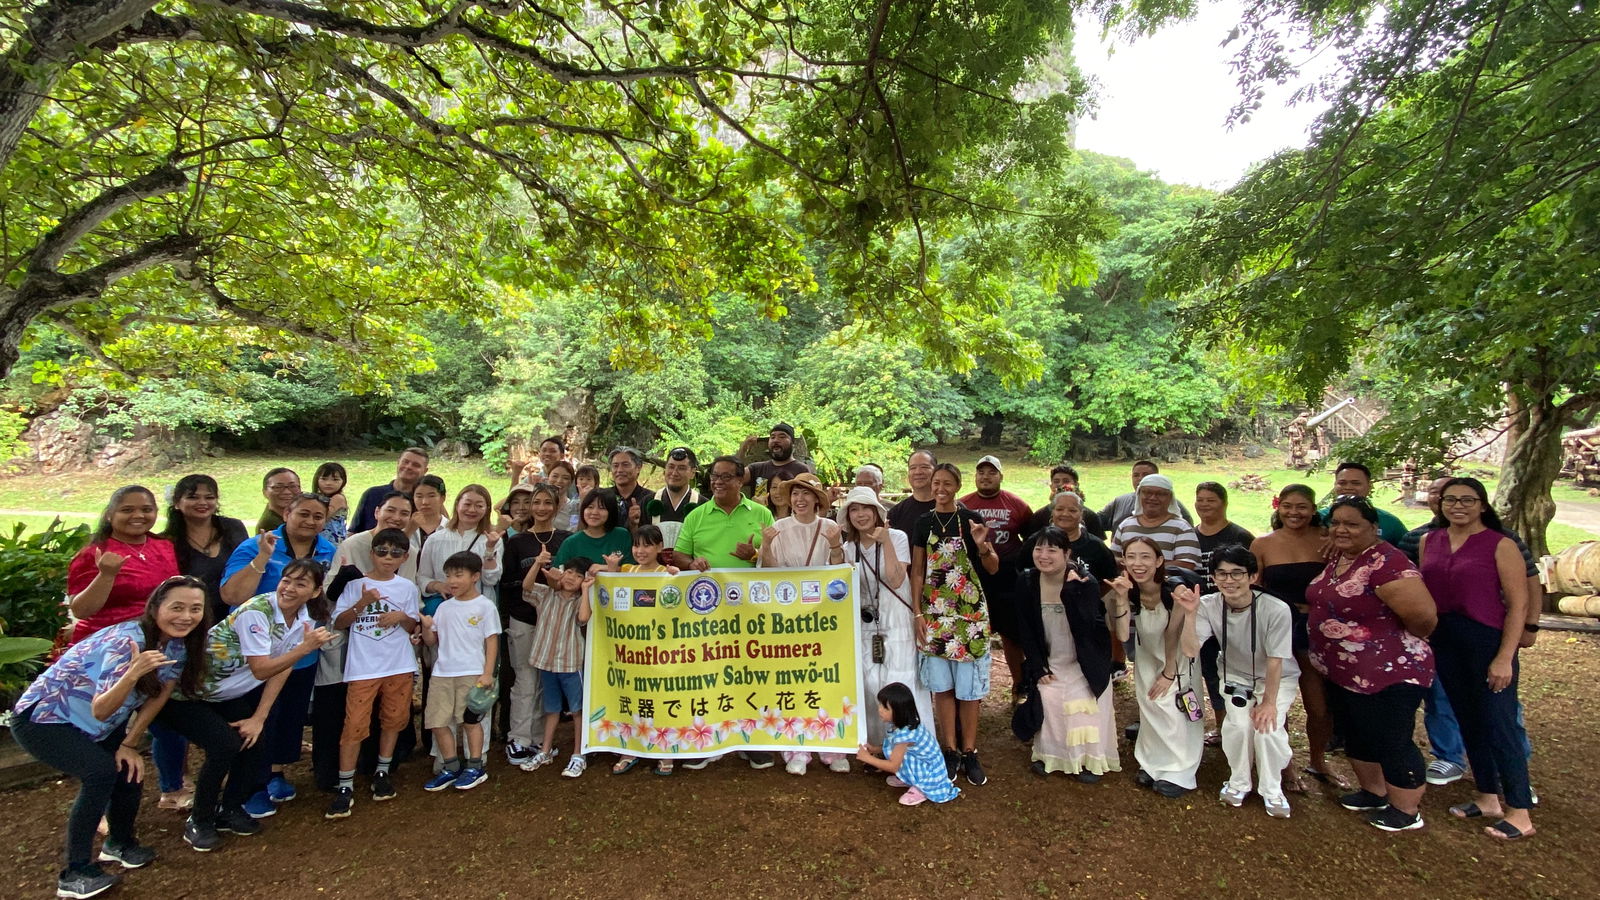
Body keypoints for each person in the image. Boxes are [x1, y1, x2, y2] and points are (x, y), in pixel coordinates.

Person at [11, 576, 208, 900]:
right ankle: (74, 873)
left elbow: (161, 694)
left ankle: (119, 843)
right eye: (177, 607)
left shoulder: (178, 643)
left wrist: (129, 742)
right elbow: (101, 709)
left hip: (99, 724)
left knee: (128, 771)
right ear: (156, 607)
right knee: (100, 773)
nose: (186, 616)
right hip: (45, 719)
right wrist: (133, 673)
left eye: (195, 609)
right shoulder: (126, 641)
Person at [163, 559, 335, 848]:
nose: (289, 588)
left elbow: (283, 669)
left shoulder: (303, 618)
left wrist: (259, 717)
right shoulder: (257, 611)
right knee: (224, 746)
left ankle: (230, 808)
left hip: (225, 694)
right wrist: (304, 649)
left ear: (316, 591)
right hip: (187, 695)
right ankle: (200, 819)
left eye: (300, 583)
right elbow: (262, 669)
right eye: (286, 580)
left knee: (256, 742)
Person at [1399, 476, 1542, 789]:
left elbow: (1518, 605)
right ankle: (1486, 795)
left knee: (1499, 721)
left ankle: (1518, 805)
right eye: (1451, 500)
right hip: (1445, 640)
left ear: (1482, 505)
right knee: (1468, 719)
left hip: (1487, 640)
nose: (1458, 506)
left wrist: (1505, 657)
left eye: (1467, 500)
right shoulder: (1428, 541)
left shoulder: (1501, 544)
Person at [1309, 496, 1438, 832]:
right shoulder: (1340, 556)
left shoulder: (1387, 562)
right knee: (1359, 732)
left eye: (1352, 524)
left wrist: (1387, 644)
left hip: (1390, 672)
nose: (1341, 529)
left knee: (1391, 738)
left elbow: (1423, 617)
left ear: (1374, 527)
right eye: (1336, 523)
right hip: (1346, 672)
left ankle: (1406, 810)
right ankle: (1373, 791)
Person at [1175, 545, 1299, 817]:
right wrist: (1190, 614)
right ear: (1214, 577)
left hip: (1276, 677)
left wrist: (1268, 703)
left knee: (1267, 729)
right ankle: (1239, 781)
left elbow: (1277, 660)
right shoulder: (1208, 605)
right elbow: (1189, 650)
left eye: (1236, 574)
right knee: (1239, 726)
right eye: (1221, 574)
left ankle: (1272, 788)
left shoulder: (1276, 609)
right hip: (1235, 675)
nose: (1228, 581)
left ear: (1253, 577)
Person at [677, 455, 775, 770]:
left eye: (725, 477)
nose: (717, 482)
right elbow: (679, 554)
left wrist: (757, 554)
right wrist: (691, 563)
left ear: (740, 480)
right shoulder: (696, 515)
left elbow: (778, 559)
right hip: (707, 610)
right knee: (708, 672)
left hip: (751, 610)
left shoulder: (762, 514)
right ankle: (708, 740)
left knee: (751, 672)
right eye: (713, 477)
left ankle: (753, 741)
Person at [158, 475, 250, 811]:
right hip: (184, 629)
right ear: (177, 502)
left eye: (209, 496)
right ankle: (173, 783)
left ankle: (220, 768)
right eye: (193, 496)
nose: (202, 502)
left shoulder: (232, 528)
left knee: (222, 700)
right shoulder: (167, 540)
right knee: (173, 702)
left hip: (227, 629)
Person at [911, 463, 999, 786]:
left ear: (958, 486)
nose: (940, 488)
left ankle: (970, 751)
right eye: (936, 483)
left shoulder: (971, 520)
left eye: (947, 483)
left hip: (970, 616)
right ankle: (950, 749)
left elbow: (992, 568)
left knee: (969, 690)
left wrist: (982, 544)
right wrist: (917, 613)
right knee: (942, 687)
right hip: (934, 615)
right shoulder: (923, 523)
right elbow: (918, 570)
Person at [327, 528, 422, 819]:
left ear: (405, 557)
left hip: (398, 664)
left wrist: (402, 617)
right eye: (382, 551)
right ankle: (345, 784)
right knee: (354, 723)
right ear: (371, 553)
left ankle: (382, 771)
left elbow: (413, 625)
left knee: (394, 719)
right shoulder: (355, 584)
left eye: (396, 553)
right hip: (363, 667)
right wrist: (361, 604)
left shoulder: (406, 587)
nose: (388, 557)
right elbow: (340, 622)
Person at [1250, 484, 1339, 790]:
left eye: (1302, 506)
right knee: (1278, 699)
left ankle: (1318, 760)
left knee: (1319, 705)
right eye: (1287, 506)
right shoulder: (1262, 544)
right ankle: (1285, 766)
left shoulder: (1327, 542)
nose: (1294, 512)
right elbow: (1254, 589)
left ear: (1314, 509)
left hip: (1317, 627)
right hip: (1278, 628)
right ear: (1278, 508)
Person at [1015, 527, 1122, 782]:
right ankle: (1052, 756)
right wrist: (1038, 667)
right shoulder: (1027, 581)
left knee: (1081, 701)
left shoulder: (1085, 581)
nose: (1044, 555)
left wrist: (1073, 593)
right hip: (1050, 657)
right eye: (1038, 549)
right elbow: (1026, 629)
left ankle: (1087, 760)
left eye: (1052, 550)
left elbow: (1087, 629)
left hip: (1084, 661)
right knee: (1050, 695)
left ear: (1067, 553)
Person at [758, 474, 848, 775]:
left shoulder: (831, 528)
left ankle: (831, 745)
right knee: (793, 678)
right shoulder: (779, 528)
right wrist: (766, 546)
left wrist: (835, 547)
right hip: (789, 616)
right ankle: (796, 746)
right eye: (795, 493)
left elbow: (842, 576)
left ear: (817, 499)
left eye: (806, 494)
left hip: (825, 617)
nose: (800, 499)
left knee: (826, 676)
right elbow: (768, 575)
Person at [839, 487, 930, 749]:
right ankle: (880, 746)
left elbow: (896, 578)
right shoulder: (848, 548)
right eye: (853, 509)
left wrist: (886, 541)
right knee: (870, 682)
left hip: (896, 619)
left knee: (900, 680)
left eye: (865, 508)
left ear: (877, 511)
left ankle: (912, 750)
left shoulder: (898, 537)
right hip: (865, 622)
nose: (860, 514)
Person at [1114, 536, 1202, 798]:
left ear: (1159, 561)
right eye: (1131, 557)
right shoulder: (1130, 590)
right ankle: (1153, 764)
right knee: (1150, 708)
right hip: (1146, 655)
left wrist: (1169, 673)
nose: (1137, 564)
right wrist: (1120, 599)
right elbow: (1121, 635)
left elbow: (1172, 635)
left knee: (1172, 710)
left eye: (1145, 557)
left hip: (1175, 659)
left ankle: (1179, 770)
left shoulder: (1173, 590)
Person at [499, 483, 569, 767]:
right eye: (536, 503)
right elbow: (508, 583)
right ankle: (518, 738)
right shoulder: (517, 541)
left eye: (547, 503)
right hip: (523, 619)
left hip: (554, 621)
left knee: (545, 680)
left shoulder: (565, 539)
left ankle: (541, 737)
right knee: (525, 679)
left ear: (556, 506)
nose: (541, 508)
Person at [420, 552, 502, 792]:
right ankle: (450, 766)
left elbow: (492, 642)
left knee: (470, 721)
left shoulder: (485, 606)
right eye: (448, 575)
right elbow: (432, 640)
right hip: (442, 673)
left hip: (472, 672)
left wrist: (487, 674)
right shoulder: (444, 608)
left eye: (459, 575)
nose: (452, 581)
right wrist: (426, 628)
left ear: (475, 576)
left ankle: (475, 766)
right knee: (438, 721)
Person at [958, 455, 1034, 703]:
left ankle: (1019, 684)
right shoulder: (962, 505)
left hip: (1007, 576)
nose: (986, 477)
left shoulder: (1017, 505)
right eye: (981, 472)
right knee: (972, 631)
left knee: (1012, 635)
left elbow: (1030, 540)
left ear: (1001, 476)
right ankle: (971, 689)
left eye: (992, 472)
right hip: (974, 575)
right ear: (975, 477)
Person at [68, 486, 180, 645]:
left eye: (147, 509)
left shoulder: (165, 546)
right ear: (109, 515)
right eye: (127, 510)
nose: (138, 515)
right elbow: (81, 611)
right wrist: (106, 575)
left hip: (160, 641)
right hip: (106, 644)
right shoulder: (94, 553)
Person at [518, 558, 597, 778]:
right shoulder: (545, 595)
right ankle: (545, 750)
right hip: (546, 661)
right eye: (569, 572)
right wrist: (537, 565)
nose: (572, 578)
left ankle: (579, 754)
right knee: (551, 708)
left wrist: (585, 591)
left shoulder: (582, 601)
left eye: (578, 575)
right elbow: (526, 587)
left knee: (577, 709)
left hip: (570, 662)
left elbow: (583, 618)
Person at [1193, 482, 1256, 738]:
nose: (1204, 504)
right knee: (1210, 670)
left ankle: (1247, 723)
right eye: (1200, 499)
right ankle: (1222, 725)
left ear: (1224, 502)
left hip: (1237, 613)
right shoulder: (1189, 535)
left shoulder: (1240, 536)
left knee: (1242, 669)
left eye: (1211, 500)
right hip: (1202, 613)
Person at [220, 492, 336, 608]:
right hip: (255, 621)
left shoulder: (330, 551)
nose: (310, 522)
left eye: (318, 517)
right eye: (304, 514)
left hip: (306, 623)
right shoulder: (254, 547)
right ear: (286, 514)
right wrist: (262, 557)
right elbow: (232, 597)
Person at [855, 682, 961, 806]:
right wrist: (874, 749)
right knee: (895, 752)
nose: (879, 710)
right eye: (880, 705)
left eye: (885, 708)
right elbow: (891, 745)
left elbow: (893, 766)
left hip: (930, 774)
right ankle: (909, 778)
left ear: (899, 711)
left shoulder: (905, 735)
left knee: (896, 757)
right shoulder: (904, 726)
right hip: (925, 763)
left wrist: (868, 758)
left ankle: (921, 788)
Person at [417, 484, 503, 616]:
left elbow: (490, 580)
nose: (472, 510)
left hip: (478, 611)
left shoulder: (491, 539)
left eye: (479, 506)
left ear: (487, 510)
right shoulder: (435, 539)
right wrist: (439, 586)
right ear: (457, 505)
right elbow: (422, 577)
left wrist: (490, 549)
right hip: (445, 608)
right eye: (467, 504)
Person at [1109, 474, 1201, 571]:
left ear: (1170, 497)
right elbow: (1112, 559)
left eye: (1160, 494)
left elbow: (1186, 565)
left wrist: (1144, 569)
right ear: (1139, 495)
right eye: (1147, 492)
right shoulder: (1126, 525)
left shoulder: (1181, 528)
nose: (1152, 498)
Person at [333, 491, 423, 581]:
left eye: (404, 513)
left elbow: (410, 586)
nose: (396, 518)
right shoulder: (352, 545)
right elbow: (329, 586)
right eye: (390, 510)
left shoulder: (410, 552)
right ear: (377, 512)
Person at [644, 446, 703, 566]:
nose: (674, 473)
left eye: (681, 468)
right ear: (664, 470)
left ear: (692, 472)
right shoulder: (648, 502)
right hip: (655, 574)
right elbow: (639, 542)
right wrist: (633, 524)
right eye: (671, 467)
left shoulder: (703, 505)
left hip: (690, 576)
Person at [350, 447, 430, 534]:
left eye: (416, 465)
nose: (408, 467)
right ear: (398, 463)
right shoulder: (373, 494)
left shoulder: (425, 502)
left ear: (425, 471)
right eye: (405, 462)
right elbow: (353, 531)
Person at [1325, 462, 1408, 544]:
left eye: (1356, 483)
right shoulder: (1319, 518)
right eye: (1342, 483)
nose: (1348, 487)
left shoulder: (1389, 522)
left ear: (1369, 486)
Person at [1099, 460, 1193, 531]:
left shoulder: (1174, 506)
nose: (1140, 479)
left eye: (1145, 475)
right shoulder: (1120, 501)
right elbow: (1096, 522)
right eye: (1136, 475)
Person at [555, 488, 634, 570]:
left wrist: (605, 568)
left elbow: (634, 570)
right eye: (590, 507)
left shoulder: (622, 536)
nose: (594, 512)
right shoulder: (571, 543)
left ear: (611, 511)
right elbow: (558, 574)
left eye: (602, 508)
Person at [1024, 465, 1104, 541]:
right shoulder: (1039, 517)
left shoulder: (1091, 517)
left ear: (1076, 485)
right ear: (1051, 486)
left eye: (1066, 481)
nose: (1060, 484)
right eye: (1056, 481)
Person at [744, 423, 814, 509]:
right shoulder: (756, 468)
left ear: (792, 443)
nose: (776, 440)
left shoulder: (802, 469)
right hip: (761, 520)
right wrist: (743, 448)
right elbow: (733, 477)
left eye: (782, 437)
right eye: (772, 437)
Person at [600, 447, 656, 531]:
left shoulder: (651, 499)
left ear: (638, 467)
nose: (619, 470)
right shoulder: (602, 497)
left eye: (625, 465)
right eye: (615, 466)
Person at [887, 449, 937, 535]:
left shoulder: (952, 508)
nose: (918, 472)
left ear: (936, 471)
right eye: (913, 468)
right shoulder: (896, 513)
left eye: (924, 467)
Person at [313, 462, 350, 545]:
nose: (329, 483)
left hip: (333, 542)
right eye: (324, 479)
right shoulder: (317, 497)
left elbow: (323, 516)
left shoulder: (338, 498)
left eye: (335, 480)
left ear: (343, 482)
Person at [256, 468, 301, 534]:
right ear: (265, 492)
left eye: (293, 486)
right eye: (278, 487)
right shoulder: (270, 527)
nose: (287, 492)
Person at [411, 474, 447, 544]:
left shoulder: (451, 528)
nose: (425, 502)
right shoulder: (406, 527)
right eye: (419, 496)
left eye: (431, 496)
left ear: (442, 498)